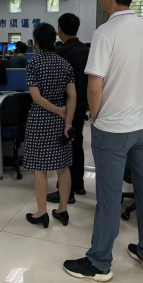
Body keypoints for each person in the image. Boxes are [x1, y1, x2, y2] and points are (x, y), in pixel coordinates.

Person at [64, 0, 143, 281]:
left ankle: (99, 263)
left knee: (108, 197)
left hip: (113, 128)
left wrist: (95, 117)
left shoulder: (105, 32)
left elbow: (95, 87)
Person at [24, 23, 77, 229]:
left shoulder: (34, 63)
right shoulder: (65, 64)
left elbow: (36, 97)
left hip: (39, 120)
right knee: (63, 166)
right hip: (60, 122)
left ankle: (41, 213)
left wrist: (57, 110)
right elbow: (72, 95)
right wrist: (67, 120)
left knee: (40, 168)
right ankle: (62, 210)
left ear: (37, 41)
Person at [48, 13, 90, 205]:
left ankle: (66, 192)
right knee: (77, 142)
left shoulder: (61, 53)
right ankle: (79, 184)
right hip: (82, 105)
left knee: (65, 147)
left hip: (66, 107)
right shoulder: (87, 50)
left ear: (60, 29)